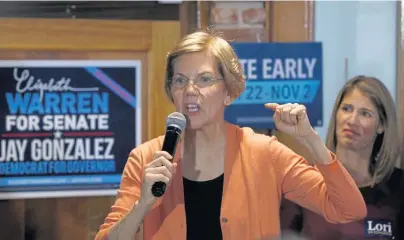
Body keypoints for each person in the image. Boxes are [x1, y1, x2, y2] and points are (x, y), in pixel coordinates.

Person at [94, 30, 367, 240]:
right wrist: (143, 204)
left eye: (204, 79)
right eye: (180, 80)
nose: (190, 89)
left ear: (229, 92)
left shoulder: (265, 153)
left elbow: (347, 210)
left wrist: (309, 138)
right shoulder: (145, 159)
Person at [280, 75, 403, 239]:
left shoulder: (398, 187)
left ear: (381, 125)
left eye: (365, 114)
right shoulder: (304, 182)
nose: (352, 120)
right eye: (346, 109)